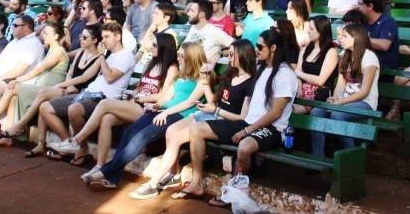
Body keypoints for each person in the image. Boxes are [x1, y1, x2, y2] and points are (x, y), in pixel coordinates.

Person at [176, 29, 298, 200]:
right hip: (247, 123)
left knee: (244, 146)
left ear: (273, 48)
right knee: (196, 129)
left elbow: (276, 113)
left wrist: (247, 130)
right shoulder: (261, 68)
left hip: (273, 129)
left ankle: (231, 192)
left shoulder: (285, 74)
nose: (256, 50)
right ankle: (197, 183)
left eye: (260, 47)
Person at [129, 39, 256, 199]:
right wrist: (204, 80)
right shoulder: (230, 75)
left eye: (232, 54)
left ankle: (153, 183)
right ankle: (174, 175)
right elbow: (212, 101)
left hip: (227, 121)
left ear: (243, 55)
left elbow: (242, 117)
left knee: (176, 137)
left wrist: (216, 110)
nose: (229, 58)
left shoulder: (251, 81)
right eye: (229, 54)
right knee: (171, 131)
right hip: (211, 114)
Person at [82, 41, 210, 190]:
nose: (178, 58)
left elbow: (189, 102)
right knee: (130, 131)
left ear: (191, 57)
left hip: (180, 116)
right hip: (163, 112)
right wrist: (156, 106)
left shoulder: (203, 78)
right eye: (178, 55)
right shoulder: (181, 74)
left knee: (141, 137)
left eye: (182, 55)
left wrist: (165, 112)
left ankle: (104, 172)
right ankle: (112, 178)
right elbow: (168, 97)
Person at [48, 32, 178, 166]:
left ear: (164, 47)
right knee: (106, 119)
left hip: (148, 110)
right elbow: (139, 89)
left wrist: (140, 99)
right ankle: (99, 165)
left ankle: (76, 141)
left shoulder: (171, 68)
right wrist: (131, 94)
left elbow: (162, 95)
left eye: (155, 45)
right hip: (134, 104)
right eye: (152, 44)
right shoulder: (150, 64)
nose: (151, 47)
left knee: (104, 103)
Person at [35, 22, 136, 164]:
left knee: (74, 109)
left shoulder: (126, 55)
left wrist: (101, 56)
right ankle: (72, 145)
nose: (103, 40)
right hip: (87, 93)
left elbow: (110, 77)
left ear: (118, 37)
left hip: (103, 98)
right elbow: (89, 75)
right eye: (103, 37)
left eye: (107, 37)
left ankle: (79, 147)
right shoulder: (110, 55)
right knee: (45, 107)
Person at [0, 23, 70, 140]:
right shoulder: (51, 50)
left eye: (46, 33)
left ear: (56, 36)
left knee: (14, 87)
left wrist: (17, 80)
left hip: (49, 90)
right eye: (43, 33)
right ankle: (6, 136)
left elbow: (39, 70)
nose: (43, 35)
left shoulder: (58, 51)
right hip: (39, 87)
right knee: (13, 95)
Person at [310, 24, 379, 156]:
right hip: (345, 101)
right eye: (341, 36)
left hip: (366, 103)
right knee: (316, 112)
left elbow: (364, 92)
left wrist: (340, 103)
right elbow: (340, 85)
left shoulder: (369, 57)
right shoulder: (344, 56)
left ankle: (351, 155)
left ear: (356, 38)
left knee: (337, 114)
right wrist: (335, 99)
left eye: (345, 36)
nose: (340, 39)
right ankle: (317, 155)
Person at [293, 16, 338, 112]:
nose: (308, 31)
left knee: (289, 110)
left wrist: (299, 74)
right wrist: (299, 88)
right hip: (300, 92)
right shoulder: (305, 49)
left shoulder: (331, 52)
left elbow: (320, 81)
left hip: (318, 96)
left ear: (321, 31)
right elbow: (297, 72)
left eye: (311, 29)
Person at [357, 0, 399, 72]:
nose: (358, 7)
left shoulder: (388, 21)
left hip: (384, 66)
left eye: (360, 4)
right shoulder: (362, 21)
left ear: (370, 6)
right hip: (365, 63)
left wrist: (359, 39)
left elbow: (384, 45)